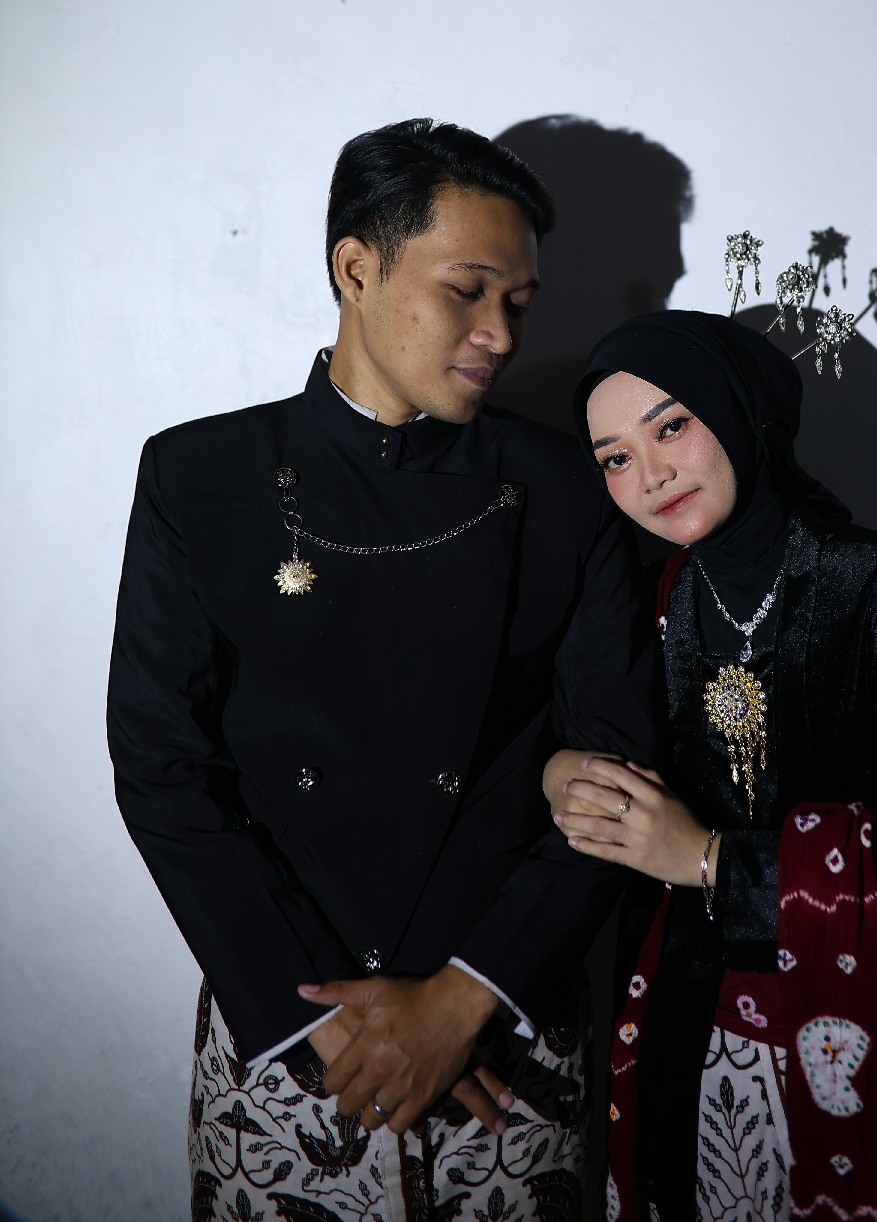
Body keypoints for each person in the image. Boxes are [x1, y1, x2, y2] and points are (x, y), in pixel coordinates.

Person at [108, 119, 663, 1222]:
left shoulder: (566, 489)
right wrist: (324, 1021)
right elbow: (163, 768)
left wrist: (465, 998)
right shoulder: (198, 475)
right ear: (357, 268)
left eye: (519, 302)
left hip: (504, 1039)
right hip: (287, 1035)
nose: (499, 334)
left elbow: (619, 769)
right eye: (467, 291)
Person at [545, 310, 877, 1222]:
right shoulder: (650, 606)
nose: (649, 476)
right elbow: (560, 744)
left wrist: (709, 860)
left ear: (740, 412)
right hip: (697, 1044)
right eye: (614, 458)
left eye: (671, 427)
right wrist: (558, 768)